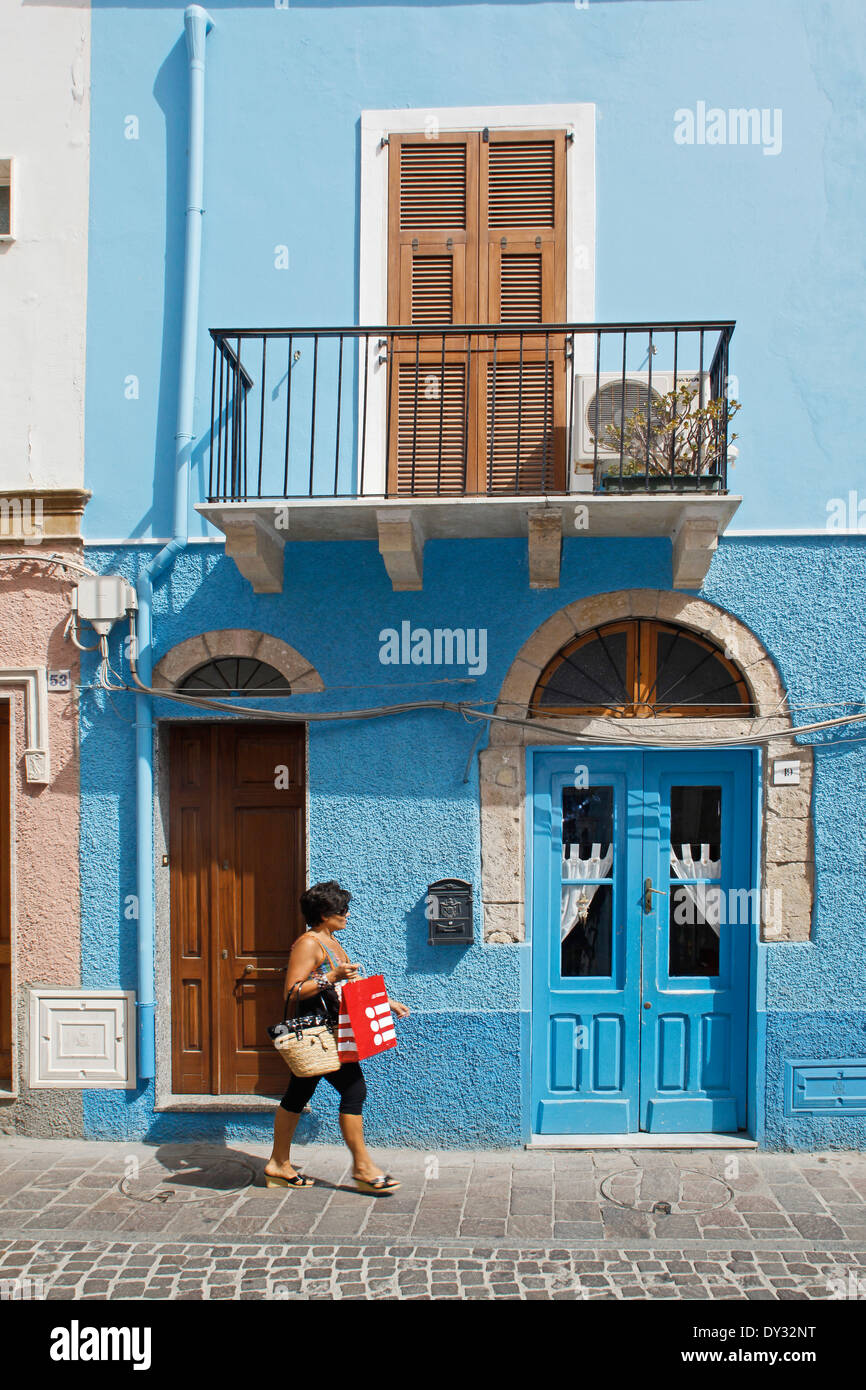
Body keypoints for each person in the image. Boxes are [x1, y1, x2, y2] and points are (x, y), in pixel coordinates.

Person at [264, 880, 410, 1194]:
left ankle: (278, 1164)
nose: (346, 914)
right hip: (319, 1035)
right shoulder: (309, 943)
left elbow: (348, 989)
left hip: (332, 1032)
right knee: (354, 1089)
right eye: (339, 910)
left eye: (345, 908)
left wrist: (386, 1002)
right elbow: (293, 990)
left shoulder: (330, 940)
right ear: (322, 913)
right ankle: (362, 1167)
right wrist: (330, 976)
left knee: (297, 1095)